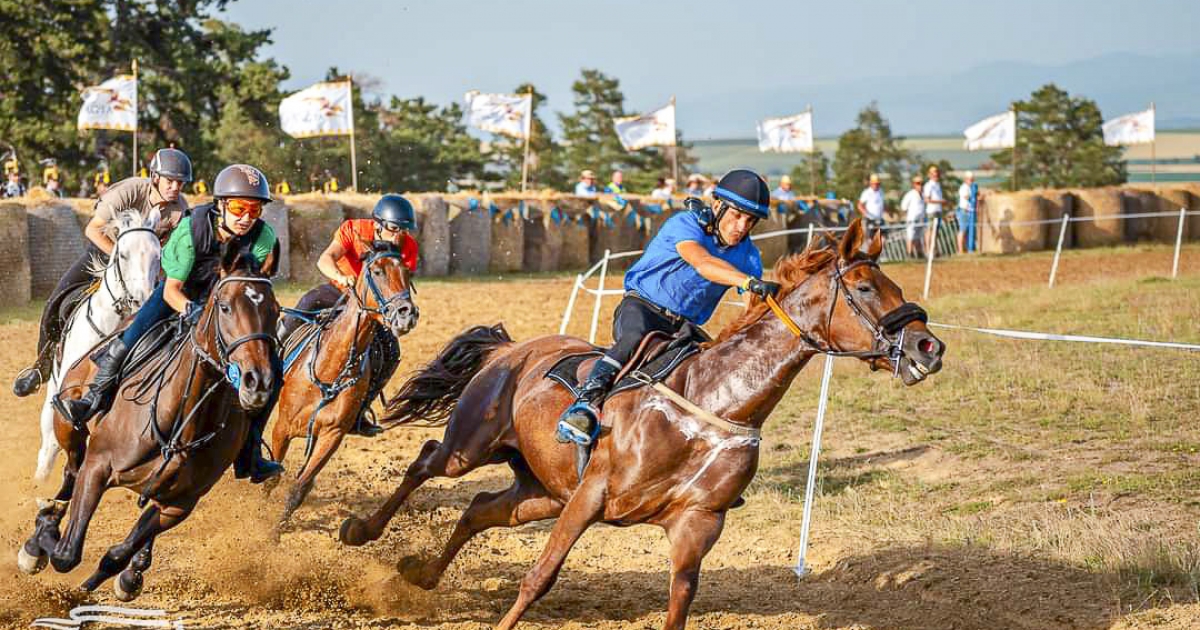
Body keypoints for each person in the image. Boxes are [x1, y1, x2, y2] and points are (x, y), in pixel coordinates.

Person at [61, 164, 283, 483]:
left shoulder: (264, 237)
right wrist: (193, 312)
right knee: (128, 341)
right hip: (178, 299)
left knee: (271, 369)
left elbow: (250, 288)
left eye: (255, 208)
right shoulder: (192, 229)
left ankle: (251, 452)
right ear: (221, 204)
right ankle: (91, 400)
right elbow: (171, 290)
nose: (246, 216)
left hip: (226, 311)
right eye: (238, 207)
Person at [556, 168, 780, 446]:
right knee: (632, 340)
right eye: (737, 215)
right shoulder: (685, 224)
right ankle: (585, 404)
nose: (742, 227)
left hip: (684, 327)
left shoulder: (749, 256)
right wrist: (748, 281)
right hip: (641, 307)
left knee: (714, 368)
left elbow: (751, 312)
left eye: (751, 220)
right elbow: (702, 263)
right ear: (718, 206)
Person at [12, 148, 193, 397]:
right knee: (56, 301)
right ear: (155, 177)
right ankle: (41, 367)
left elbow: (170, 250)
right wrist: (117, 261)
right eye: (170, 180)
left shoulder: (180, 210)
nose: (175, 187)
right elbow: (93, 230)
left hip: (145, 264)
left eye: (180, 183)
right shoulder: (129, 191)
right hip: (104, 251)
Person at [277, 194, 420, 437]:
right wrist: (342, 277)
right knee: (301, 309)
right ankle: (270, 367)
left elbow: (397, 284)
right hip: (337, 291)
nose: (397, 237)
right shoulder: (352, 229)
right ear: (377, 225)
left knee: (392, 352)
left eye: (403, 231)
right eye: (393, 229)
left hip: (371, 305)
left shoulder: (408, 248)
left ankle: (359, 410)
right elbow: (325, 259)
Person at [901, 175, 926, 259]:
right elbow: (903, 206)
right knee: (910, 237)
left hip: (920, 219)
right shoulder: (910, 194)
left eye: (922, 183)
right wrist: (908, 216)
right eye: (918, 183)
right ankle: (909, 254)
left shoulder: (923, 194)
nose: (920, 185)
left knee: (918, 237)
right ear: (914, 184)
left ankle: (919, 254)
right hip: (912, 220)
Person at [956, 171, 981, 253]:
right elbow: (967, 197)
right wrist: (975, 195)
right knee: (962, 231)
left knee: (966, 232)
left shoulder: (970, 188)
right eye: (970, 179)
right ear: (966, 179)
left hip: (969, 212)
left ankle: (965, 249)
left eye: (972, 180)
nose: (972, 181)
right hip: (963, 211)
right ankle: (960, 250)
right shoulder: (964, 187)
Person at [922, 165, 945, 255]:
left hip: (938, 211)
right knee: (930, 231)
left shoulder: (937, 185)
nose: (936, 174)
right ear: (930, 175)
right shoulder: (929, 185)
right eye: (933, 173)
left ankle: (933, 249)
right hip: (931, 211)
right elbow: (927, 199)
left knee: (935, 232)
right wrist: (940, 201)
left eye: (936, 173)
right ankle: (928, 250)